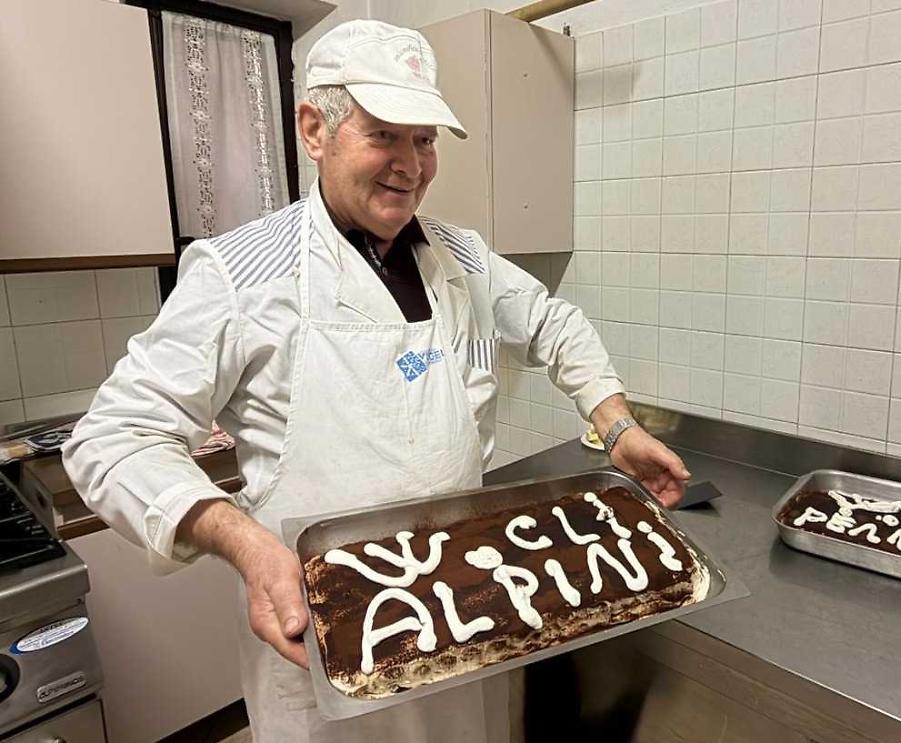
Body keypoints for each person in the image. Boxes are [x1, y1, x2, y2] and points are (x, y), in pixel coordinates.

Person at [63, 18, 690, 743]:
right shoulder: (239, 272)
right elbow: (111, 439)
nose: (411, 164)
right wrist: (245, 542)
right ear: (312, 129)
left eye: (423, 139)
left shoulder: (462, 256)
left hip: (461, 608)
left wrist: (616, 423)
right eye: (384, 133)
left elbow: (553, 323)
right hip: (324, 643)